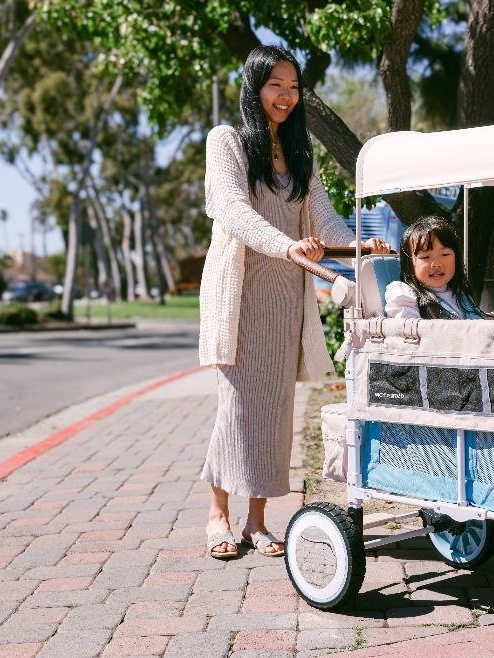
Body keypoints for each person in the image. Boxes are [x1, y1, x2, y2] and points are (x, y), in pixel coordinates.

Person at [198, 45, 389, 559]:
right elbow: (233, 212)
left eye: (292, 86)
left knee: (276, 408)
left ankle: (256, 522)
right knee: (237, 407)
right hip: (240, 295)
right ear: (254, 88)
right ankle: (218, 515)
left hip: (285, 297)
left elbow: (324, 222)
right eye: (274, 85)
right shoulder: (228, 142)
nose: (284, 95)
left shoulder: (301, 153)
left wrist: (360, 245)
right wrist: (286, 245)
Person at [384, 215, 486, 320]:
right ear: (410, 263)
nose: (436, 264)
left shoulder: (462, 296)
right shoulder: (405, 295)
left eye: (445, 254)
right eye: (425, 257)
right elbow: (409, 330)